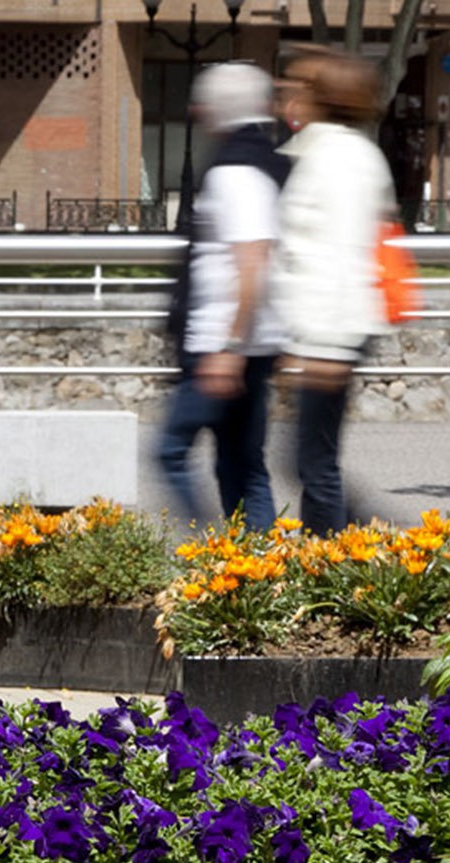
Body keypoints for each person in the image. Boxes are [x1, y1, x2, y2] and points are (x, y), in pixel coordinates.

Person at [156, 62, 287, 532]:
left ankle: (213, 557)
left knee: (170, 452)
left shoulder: (236, 171)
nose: (197, 112)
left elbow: (252, 264)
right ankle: (255, 575)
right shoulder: (261, 162)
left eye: (203, 104)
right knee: (240, 464)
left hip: (221, 344)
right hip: (245, 343)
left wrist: (228, 350)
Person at [272, 47, 396, 535]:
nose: (287, 91)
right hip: (319, 334)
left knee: (313, 462)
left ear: (326, 96)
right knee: (308, 459)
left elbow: (343, 258)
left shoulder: (339, 159)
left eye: (299, 84)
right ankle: (347, 550)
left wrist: (326, 346)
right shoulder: (328, 152)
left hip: (329, 335)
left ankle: (339, 561)